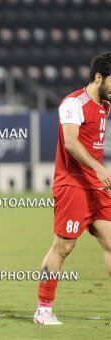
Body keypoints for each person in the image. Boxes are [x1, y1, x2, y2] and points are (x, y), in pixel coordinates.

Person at [34, 52, 111, 325]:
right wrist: (100, 168)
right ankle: (43, 309)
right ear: (99, 77)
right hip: (72, 184)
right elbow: (70, 142)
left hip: (96, 187)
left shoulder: (105, 104)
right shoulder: (72, 104)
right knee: (63, 247)